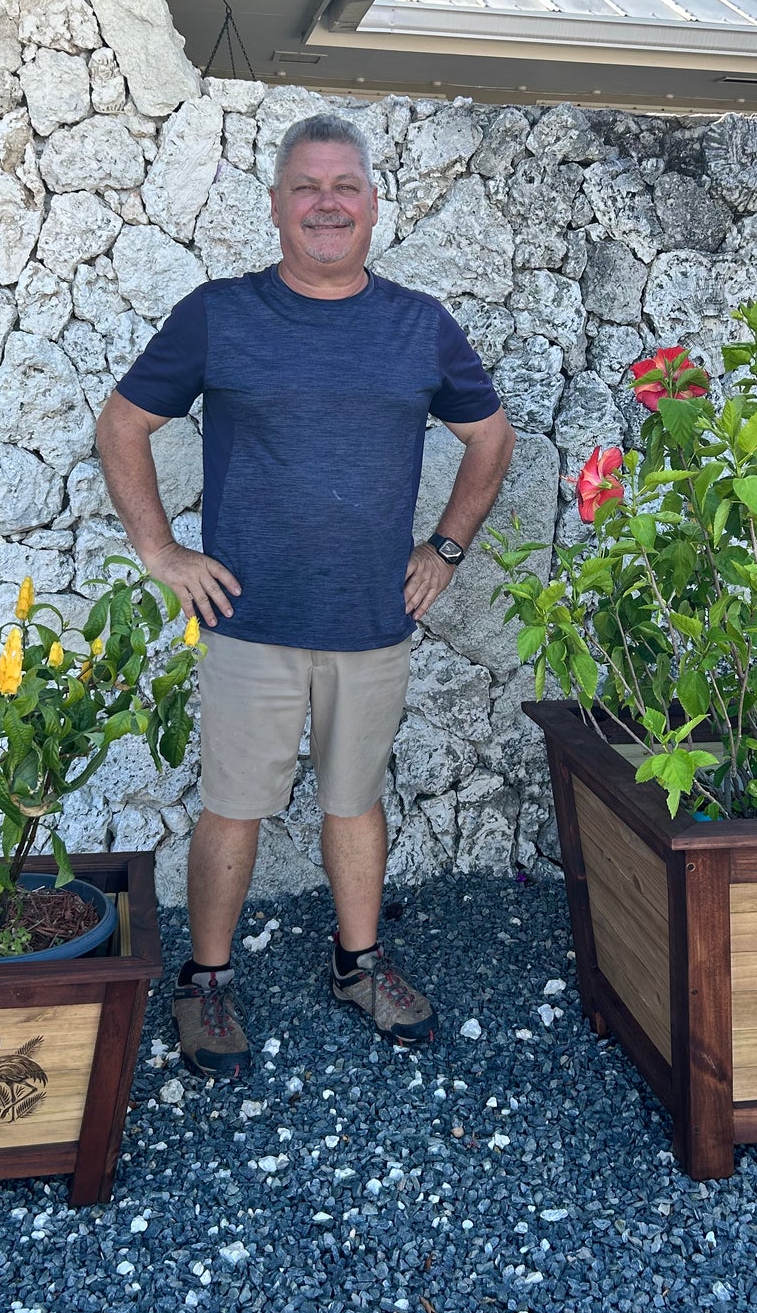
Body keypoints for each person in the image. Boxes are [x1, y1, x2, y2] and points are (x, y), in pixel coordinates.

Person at [95, 112, 516, 1079]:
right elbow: (123, 427)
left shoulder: (420, 325)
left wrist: (445, 549)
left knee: (353, 800)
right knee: (233, 806)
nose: (327, 203)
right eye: (306, 187)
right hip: (252, 618)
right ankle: (205, 980)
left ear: (371, 205)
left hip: (372, 619)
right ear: (279, 205)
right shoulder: (219, 313)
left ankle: (357, 965)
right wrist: (163, 553)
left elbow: (490, 442)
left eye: (345, 187)